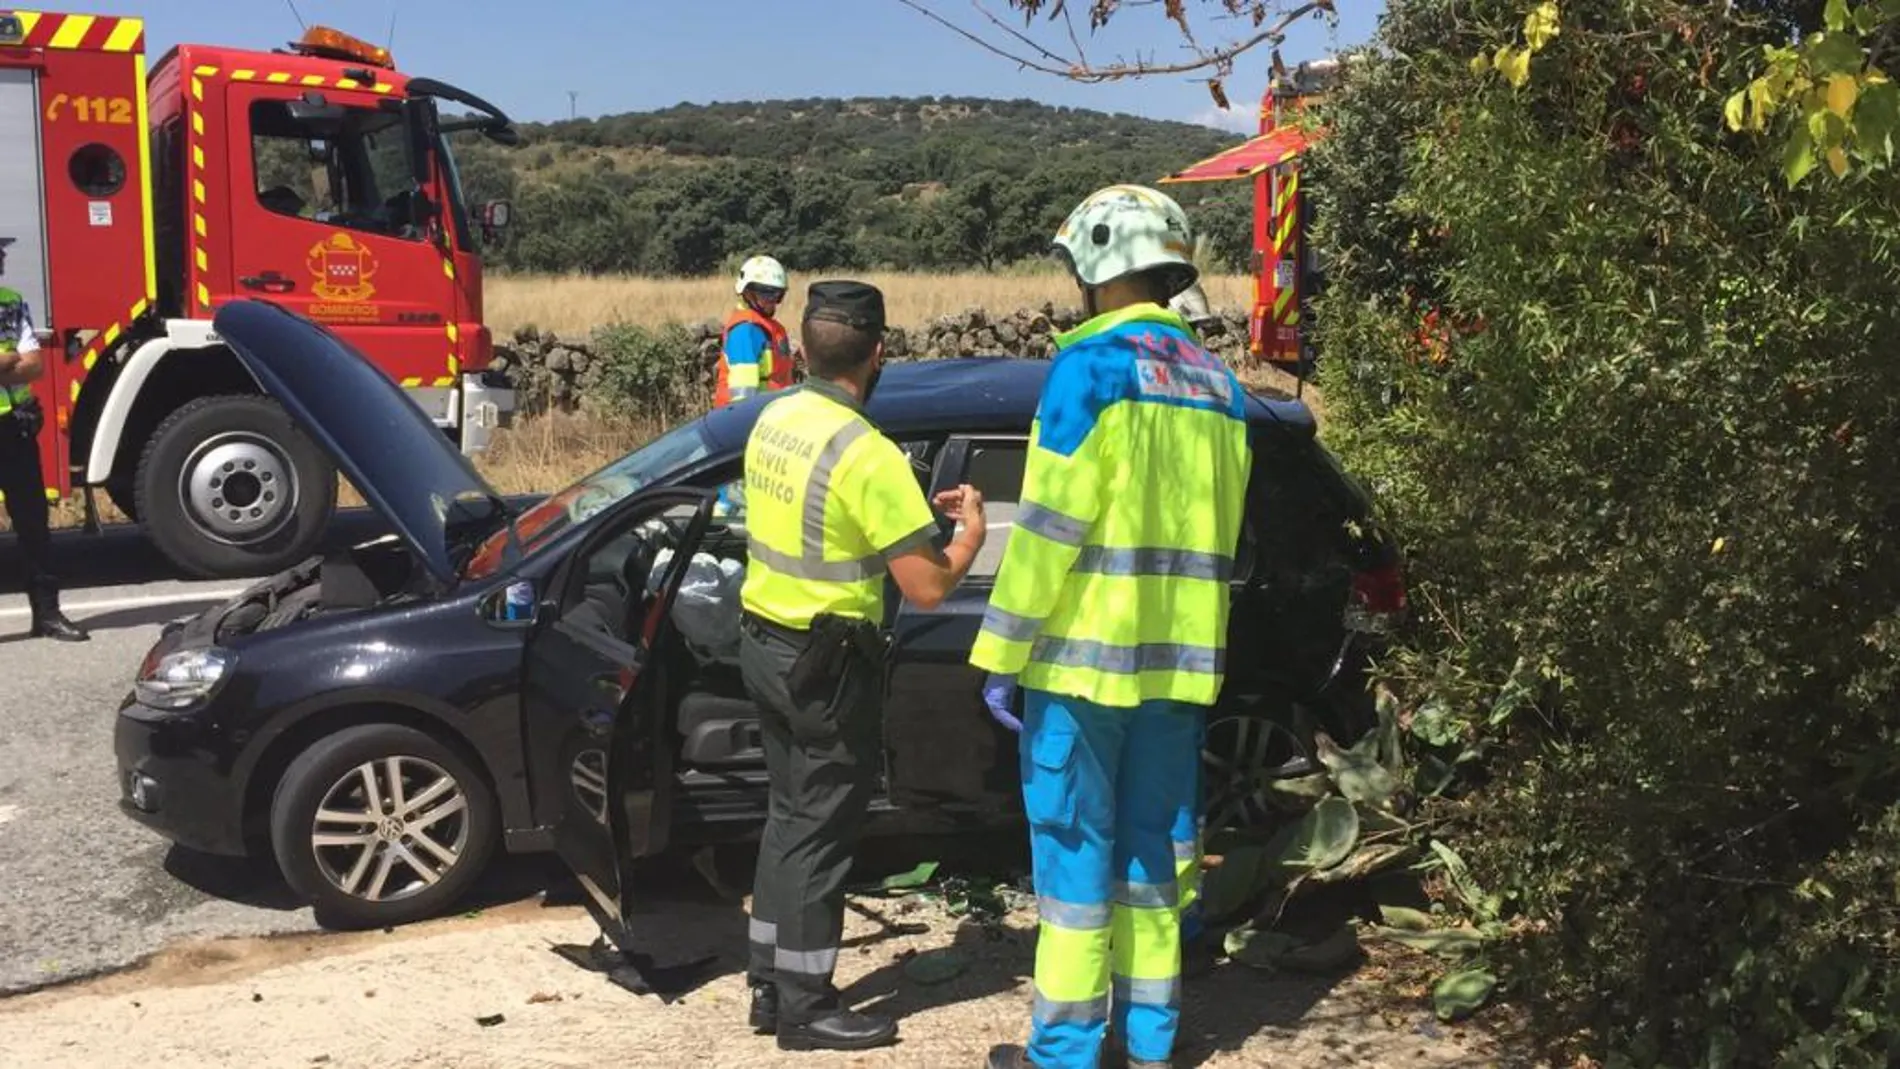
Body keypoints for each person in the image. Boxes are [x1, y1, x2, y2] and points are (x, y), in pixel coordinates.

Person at [972, 185, 1252, 1069]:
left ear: (1093, 268)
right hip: (1180, 676)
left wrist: (1001, 655)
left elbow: (1048, 531)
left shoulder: (1087, 374)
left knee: (1074, 870)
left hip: (1083, 674)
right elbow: (1228, 537)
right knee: (1155, 869)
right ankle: (1152, 1041)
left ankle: (1065, 1053)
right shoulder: (1222, 387)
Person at [737, 279, 988, 1053]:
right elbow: (928, 584)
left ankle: (771, 982)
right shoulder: (868, 455)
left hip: (764, 641)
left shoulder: (774, 416)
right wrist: (968, 534)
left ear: (804, 347)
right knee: (821, 830)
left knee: (788, 816)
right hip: (828, 663)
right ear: (878, 352)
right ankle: (808, 1006)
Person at [0, 237, 87, 642]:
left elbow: (33, 365)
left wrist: (12, 361)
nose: (1, 259)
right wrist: (7, 358)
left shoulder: (11, 301)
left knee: (34, 522)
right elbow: (15, 359)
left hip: (14, 429)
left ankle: (47, 614)